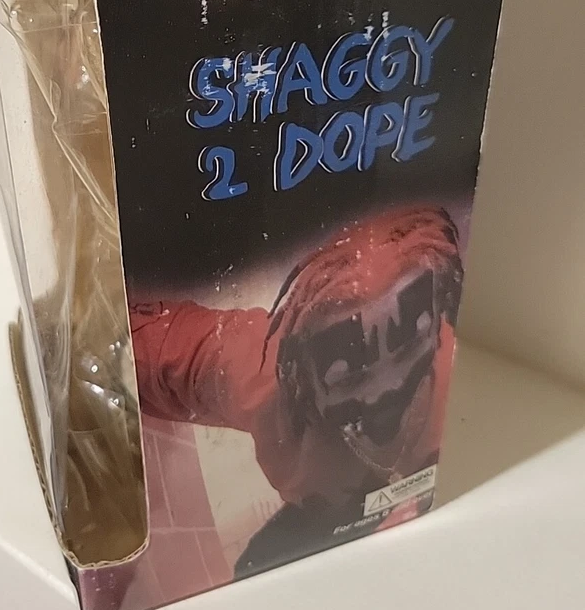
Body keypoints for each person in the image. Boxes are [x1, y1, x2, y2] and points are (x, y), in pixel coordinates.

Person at [130, 205, 463, 576]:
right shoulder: (265, 382)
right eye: (349, 374)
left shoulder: (459, 371)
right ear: (302, 377)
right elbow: (157, 349)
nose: (386, 386)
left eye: (409, 342)